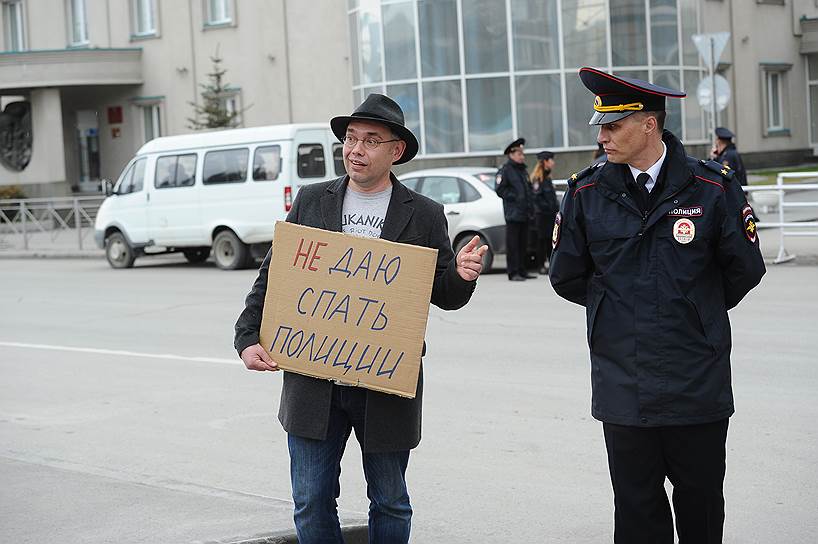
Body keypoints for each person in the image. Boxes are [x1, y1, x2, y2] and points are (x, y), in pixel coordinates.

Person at [234, 93, 487, 544]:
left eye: (371, 140)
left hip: (385, 382)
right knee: (311, 500)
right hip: (314, 381)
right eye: (350, 138)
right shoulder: (312, 202)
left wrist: (462, 276)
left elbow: (441, 295)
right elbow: (275, 274)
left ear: (396, 151)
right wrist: (247, 335)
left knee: (389, 500)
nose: (356, 149)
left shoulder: (425, 214)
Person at [549, 67, 766, 544]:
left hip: (697, 382)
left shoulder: (711, 187)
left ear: (649, 124)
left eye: (613, 126)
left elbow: (745, 269)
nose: (602, 136)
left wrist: (693, 308)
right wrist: (618, 309)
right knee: (636, 510)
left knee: (702, 505)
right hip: (623, 383)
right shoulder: (586, 192)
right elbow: (566, 275)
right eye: (600, 126)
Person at [495, 137, 535, 281]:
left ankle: (522, 270)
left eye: (522, 154)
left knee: (523, 244)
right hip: (513, 214)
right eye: (519, 154)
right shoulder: (505, 170)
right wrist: (515, 197)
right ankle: (513, 272)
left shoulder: (522, 170)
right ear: (511, 154)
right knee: (513, 245)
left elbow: (528, 190)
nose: (522, 156)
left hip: (524, 214)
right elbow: (500, 190)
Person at [529, 150, 559, 274]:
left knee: (549, 240)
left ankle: (549, 263)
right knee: (541, 240)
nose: (553, 162)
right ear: (545, 162)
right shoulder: (538, 179)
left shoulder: (547, 178)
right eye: (551, 160)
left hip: (550, 215)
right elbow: (536, 199)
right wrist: (548, 208)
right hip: (542, 216)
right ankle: (540, 265)